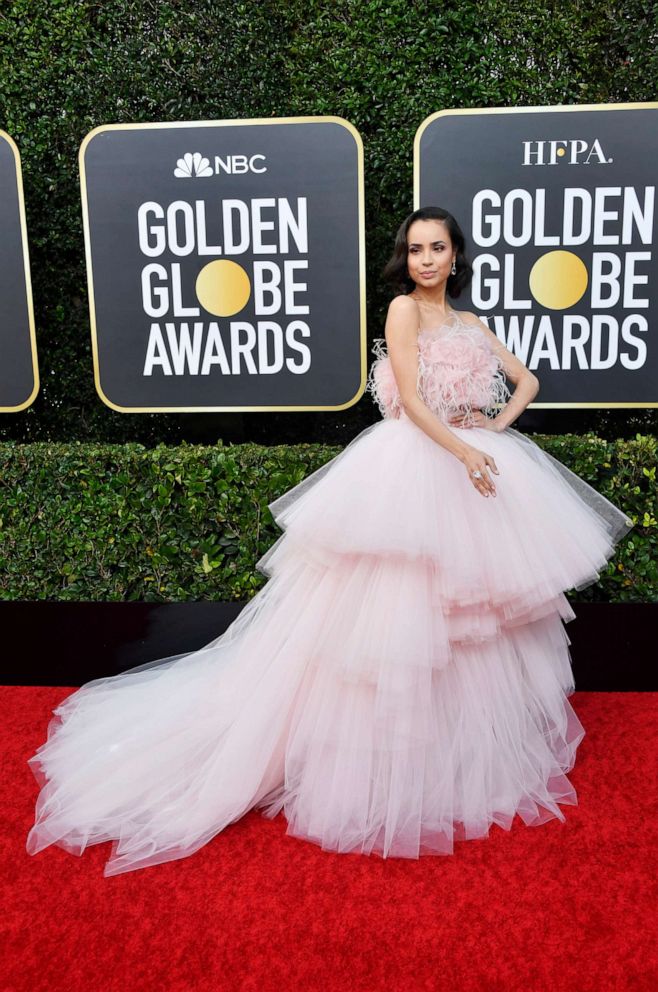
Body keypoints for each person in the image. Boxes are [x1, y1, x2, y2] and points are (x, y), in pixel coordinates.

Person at [26, 205, 634, 877]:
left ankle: (452, 756)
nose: (425, 259)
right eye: (414, 249)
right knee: (394, 617)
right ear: (405, 260)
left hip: (472, 464)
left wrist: (493, 428)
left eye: (437, 248)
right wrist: (465, 448)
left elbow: (529, 381)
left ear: (456, 256)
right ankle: (376, 758)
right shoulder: (403, 312)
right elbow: (412, 397)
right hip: (416, 466)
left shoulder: (472, 322)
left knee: (469, 621)